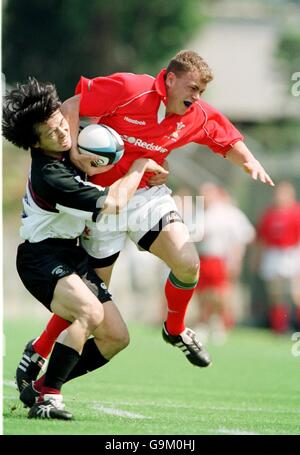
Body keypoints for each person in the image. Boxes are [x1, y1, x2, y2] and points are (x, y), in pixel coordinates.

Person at [16, 50, 274, 389]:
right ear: (168, 78)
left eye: (202, 92)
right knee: (91, 303)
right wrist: (76, 153)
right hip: (104, 203)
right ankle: (40, 349)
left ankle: (175, 328)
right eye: (192, 88)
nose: (196, 98)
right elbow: (74, 101)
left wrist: (249, 160)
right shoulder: (128, 88)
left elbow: (226, 138)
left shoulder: (195, 115)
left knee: (187, 263)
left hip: (145, 198)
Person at [2, 77, 169, 419]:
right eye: (52, 132)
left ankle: (38, 383)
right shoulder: (51, 175)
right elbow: (114, 204)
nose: (64, 132)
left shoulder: (70, 147)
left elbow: (77, 108)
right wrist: (139, 164)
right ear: (36, 142)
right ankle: (50, 398)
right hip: (41, 258)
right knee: (89, 314)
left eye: (61, 123)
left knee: (116, 338)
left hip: (70, 254)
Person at [194, 182, 255, 343]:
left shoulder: (226, 214)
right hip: (200, 258)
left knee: (218, 293)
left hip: (218, 258)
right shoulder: (198, 213)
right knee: (201, 293)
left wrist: (235, 259)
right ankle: (203, 323)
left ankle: (219, 321)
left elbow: (243, 236)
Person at [253, 181, 300, 332]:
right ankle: (280, 328)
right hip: (272, 254)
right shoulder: (269, 214)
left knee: (295, 292)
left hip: (291, 253)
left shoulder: (296, 213)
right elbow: (261, 239)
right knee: (276, 294)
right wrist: (257, 259)